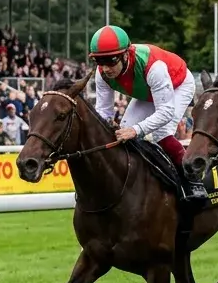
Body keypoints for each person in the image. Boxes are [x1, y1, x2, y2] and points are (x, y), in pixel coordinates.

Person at [88, 25, 206, 202]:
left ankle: (193, 179)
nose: (105, 68)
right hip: (147, 92)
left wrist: (136, 130)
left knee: (160, 133)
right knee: (124, 133)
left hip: (179, 84)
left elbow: (165, 112)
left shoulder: (153, 66)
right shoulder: (101, 74)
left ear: (126, 54)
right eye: (99, 61)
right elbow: (103, 113)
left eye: (111, 60)